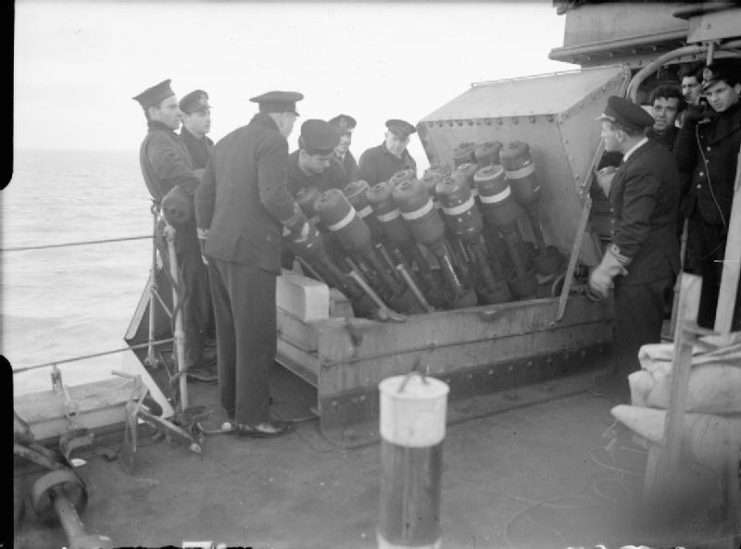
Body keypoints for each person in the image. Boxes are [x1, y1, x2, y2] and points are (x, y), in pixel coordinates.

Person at [195, 90, 315, 438]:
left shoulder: (227, 142)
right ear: (283, 117)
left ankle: (233, 402)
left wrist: (206, 241)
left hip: (219, 250)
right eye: (294, 119)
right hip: (251, 253)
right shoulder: (274, 142)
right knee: (256, 335)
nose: (293, 126)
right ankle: (253, 417)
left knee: (231, 331)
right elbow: (273, 195)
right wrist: (300, 223)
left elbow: (204, 195)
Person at [589, 96, 681, 398]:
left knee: (638, 336)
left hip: (646, 267)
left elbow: (633, 229)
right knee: (631, 331)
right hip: (648, 264)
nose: (602, 136)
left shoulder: (643, 167)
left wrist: (605, 270)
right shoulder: (651, 155)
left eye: (605, 130)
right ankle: (621, 386)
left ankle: (632, 401)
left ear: (620, 133)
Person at [133, 79, 212, 382]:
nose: (179, 113)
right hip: (177, 227)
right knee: (190, 290)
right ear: (153, 111)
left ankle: (194, 354)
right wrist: (210, 184)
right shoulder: (159, 142)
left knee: (194, 288)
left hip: (182, 223)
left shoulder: (168, 138)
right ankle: (191, 363)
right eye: (172, 107)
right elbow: (175, 174)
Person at [674, 61, 741, 330]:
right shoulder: (704, 120)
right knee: (704, 279)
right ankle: (704, 338)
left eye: (720, 91)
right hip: (701, 213)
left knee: (732, 281)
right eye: (709, 93)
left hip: (731, 218)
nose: (714, 99)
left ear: (738, 88)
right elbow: (682, 162)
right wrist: (689, 124)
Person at [288, 119, 345, 196]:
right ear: (304, 155)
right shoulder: (281, 173)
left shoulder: (336, 171)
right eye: (321, 160)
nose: (327, 164)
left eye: (328, 158)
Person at [358, 119, 418, 185]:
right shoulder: (369, 157)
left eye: (403, 140)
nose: (398, 144)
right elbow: (366, 191)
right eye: (395, 139)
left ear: (408, 141)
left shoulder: (411, 162)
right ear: (386, 136)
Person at [179, 90, 214, 170]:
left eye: (209, 113)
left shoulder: (210, 145)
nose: (208, 119)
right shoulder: (178, 147)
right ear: (185, 117)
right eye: (202, 114)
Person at [647, 84, 685, 151]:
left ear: (678, 114)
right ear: (652, 110)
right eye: (658, 108)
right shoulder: (638, 136)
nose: (662, 114)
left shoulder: (684, 140)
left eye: (669, 109)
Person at [328, 114, 359, 182]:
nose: (346, 140)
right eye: (341, 135)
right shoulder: (323, 159)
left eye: (348, 135)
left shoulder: (351, 160)